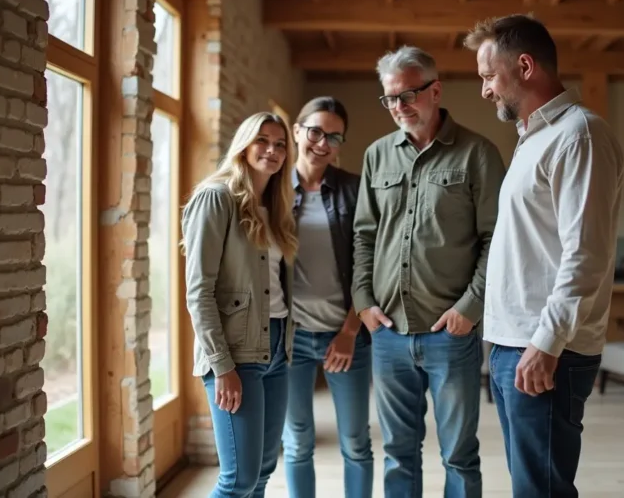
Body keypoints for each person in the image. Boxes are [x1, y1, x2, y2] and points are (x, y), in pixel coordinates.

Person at [463, 15, 624, 497]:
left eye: (489, 76)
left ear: (525, 66)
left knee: (542, 491)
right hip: (516, 343)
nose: (486, 90)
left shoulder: (580, 136)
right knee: (529, 486)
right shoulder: (533, 140)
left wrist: (547, 343)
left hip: (548, 347)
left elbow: (585, 255)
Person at [352, 45, 506, 498]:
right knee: (399, 452)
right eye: (390, 99)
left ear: (435, 90)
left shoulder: (479, 154)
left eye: (407, 95)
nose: (398, 107)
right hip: (388, 332)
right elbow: (363, 235)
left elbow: (496, 240)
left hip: (450, 334)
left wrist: (470, 308)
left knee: (459, 455)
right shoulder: (376, 156)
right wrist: (363, 303)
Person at [181, 112, 299, 498]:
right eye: (262, 140)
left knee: (263, 471)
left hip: (277, 348)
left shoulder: (277, 207)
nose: (272, 150)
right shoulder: (216, 198)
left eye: (281, 144)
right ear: (244, 145)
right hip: (237, 352)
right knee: (238, 480)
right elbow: (199, 291)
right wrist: (223, 365)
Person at [281, 96, 374, 498]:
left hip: (347, 335)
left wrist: (350, 330)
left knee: (355, 441)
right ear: (297, 131)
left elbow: (370, 266)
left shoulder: (355, 190)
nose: (322, 142)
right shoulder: (273, 191)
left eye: (333, 137)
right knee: (297, 441)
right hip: (291, 338)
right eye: (315, 131)